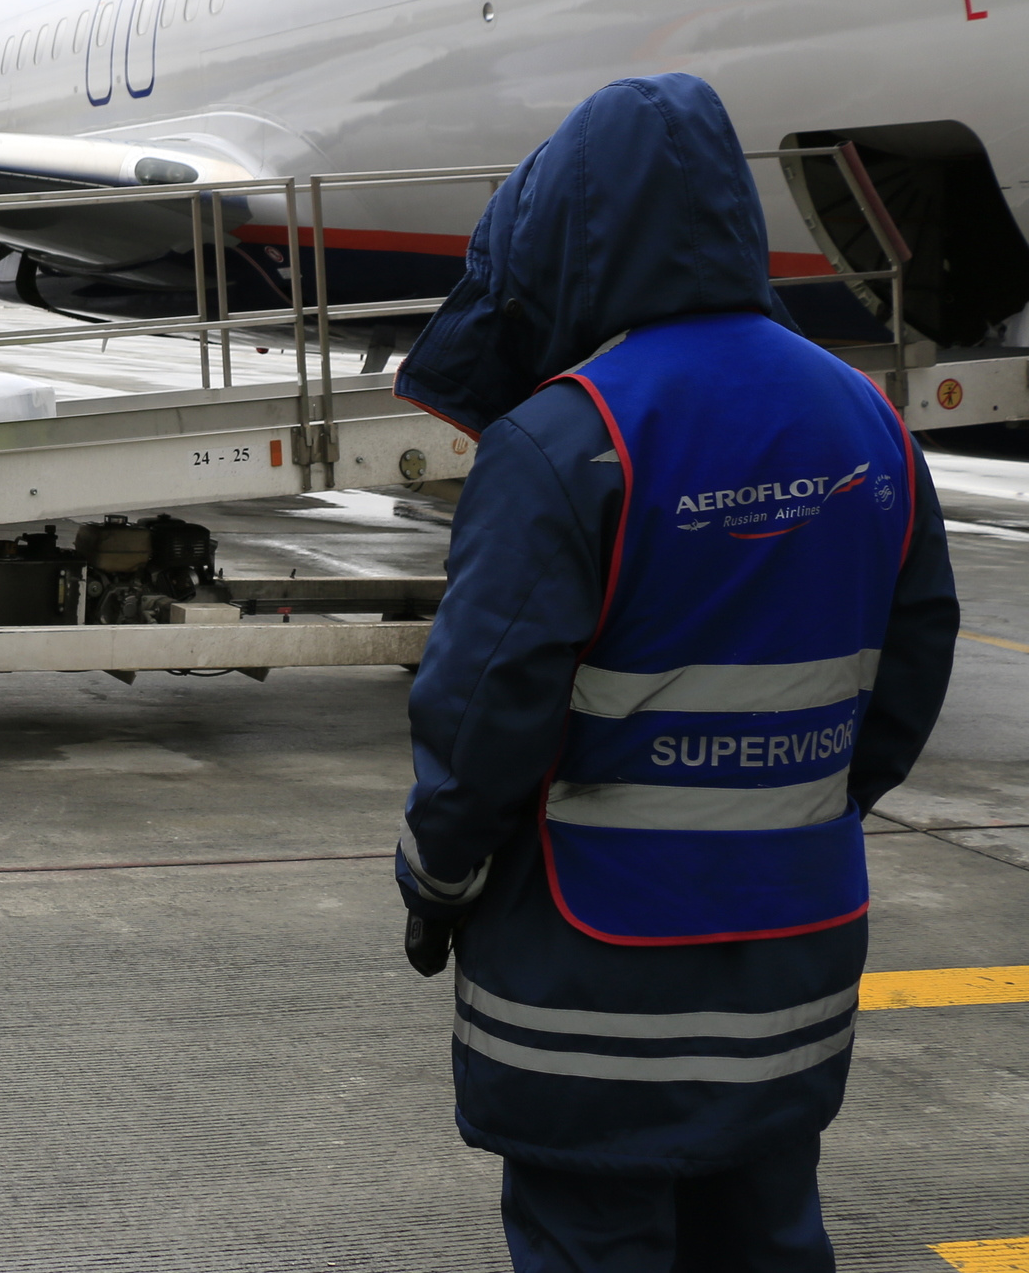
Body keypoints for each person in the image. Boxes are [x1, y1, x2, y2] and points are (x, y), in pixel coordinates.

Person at [389, 74, 958, 1272]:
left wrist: (437, 877)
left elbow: (483, 710)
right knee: (765, 1236)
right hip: (790, 962)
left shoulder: (565, 438)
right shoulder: (864, 420)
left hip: (591, 981)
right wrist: (797, 807)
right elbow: (911, 667)